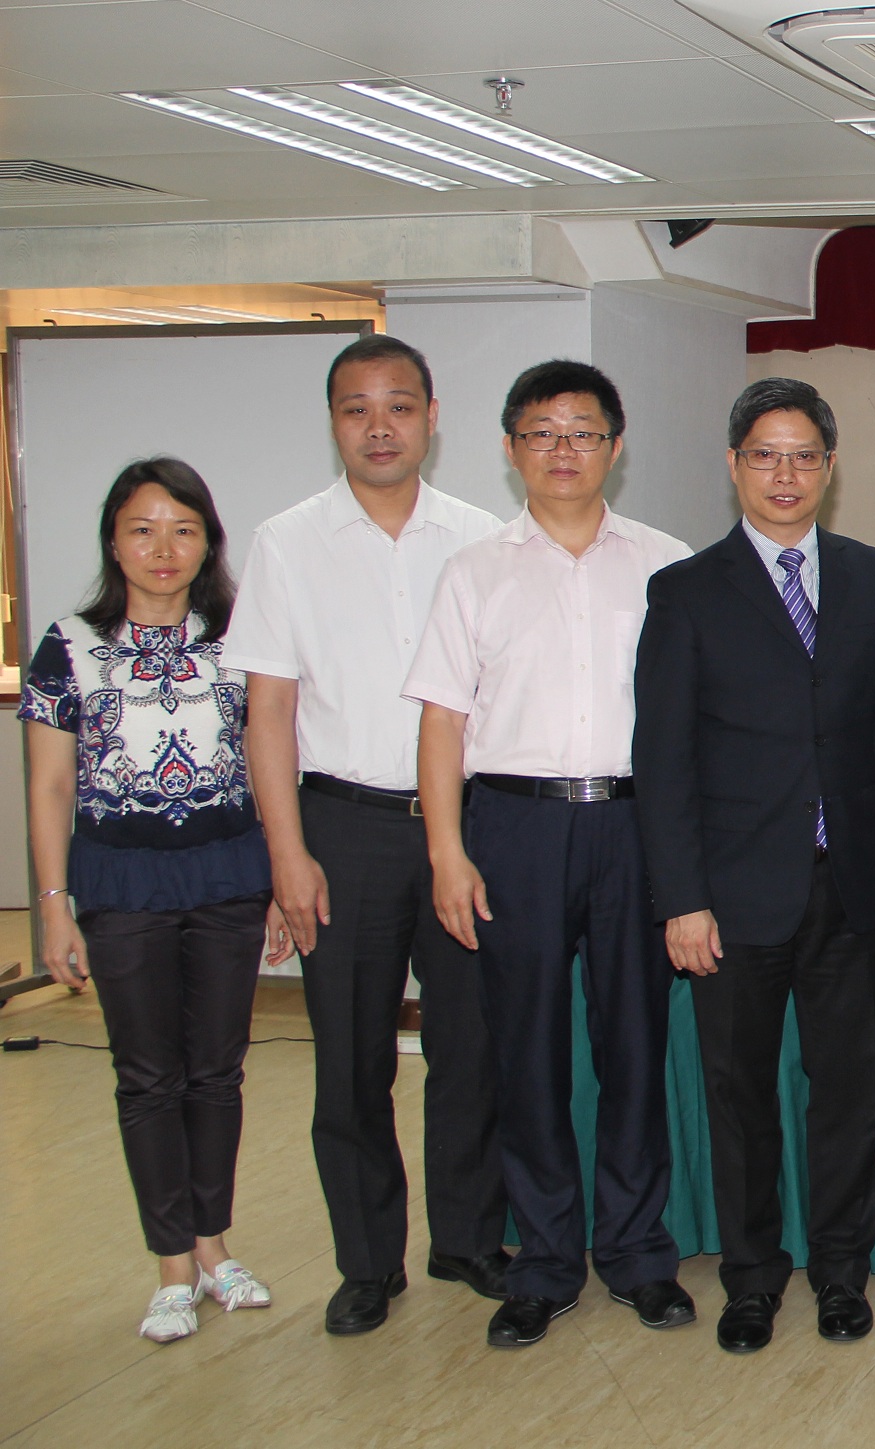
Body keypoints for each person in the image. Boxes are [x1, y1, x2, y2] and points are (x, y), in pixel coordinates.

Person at [405, 360, 694, 1348]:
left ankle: (638, 1251)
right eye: (541, 432)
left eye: (583, 432)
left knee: (634, 1045)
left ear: (616, 446)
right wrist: (447, 852)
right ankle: (543, 1259)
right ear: (508, 447)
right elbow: (443, 723)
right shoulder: (473, 572)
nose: (562, 450)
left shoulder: (667, 565)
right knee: (522, 1052)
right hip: (514, 826)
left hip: (633, 824)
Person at [229, 334, 510, 1336]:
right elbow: (268, 712)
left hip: (465, 830)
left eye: (398, 406)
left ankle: (468, 1237)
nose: (378, 426)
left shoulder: (483, 538)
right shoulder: (285, 542)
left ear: (433, 418)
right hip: (341, 830)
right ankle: (366, 1263)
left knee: (471, 1048)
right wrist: (287, 853)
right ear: (334, 423)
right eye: (356, 408)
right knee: (352, 1061)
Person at [633, 377, 875, 1355]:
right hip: (733, 894)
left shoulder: (874, 576)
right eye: (765, 455)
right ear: (733, 465)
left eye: (803, 456)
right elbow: (662, 760)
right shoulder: (684, 590)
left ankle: (841, 1272)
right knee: (741, 1097)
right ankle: (751, 1280)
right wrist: (682, 897)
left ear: (829, 467)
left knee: (848, 1094)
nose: (784, 474)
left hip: (848, 885)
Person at [24, 459, 293, 1343]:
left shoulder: (242, 637)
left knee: (217, 1070)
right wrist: (52, 903)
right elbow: (50, 785)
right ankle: (172, 1263)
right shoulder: (69, 644)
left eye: (183, 528)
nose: (163, 547)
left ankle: (215, 1246)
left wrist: (283, 876)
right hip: (122, 884)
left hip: (228, 878)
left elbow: (272, 759)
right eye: (142, 529)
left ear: (208, 541)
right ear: (114, 541)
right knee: (147, 1075)